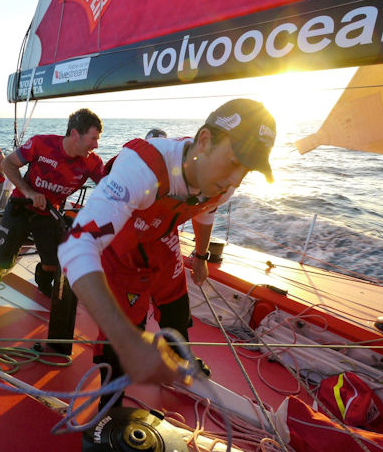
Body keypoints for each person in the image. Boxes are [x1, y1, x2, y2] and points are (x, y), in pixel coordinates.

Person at [57, 99, 276, 400]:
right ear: (204, 141)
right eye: (235, 162)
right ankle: (108, 413)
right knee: (125, 329)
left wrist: (200, 256)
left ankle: (178, 363)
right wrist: (127, 338)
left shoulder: (223, 182)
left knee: (177, 304)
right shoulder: (141, 167)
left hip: (162, 236)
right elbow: (77, 244)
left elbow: (205, 211)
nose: (236, 181)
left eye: (247, 170)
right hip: (121, 245)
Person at [0, 108, 105, 328]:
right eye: (93, 139)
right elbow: (8, 164)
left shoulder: (92, 162)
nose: (96, 146)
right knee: (1, 261)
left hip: (50, 214)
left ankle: (43, 284)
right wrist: (30, 192)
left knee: (53, 265)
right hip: (20, 207)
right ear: (74, 134)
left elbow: (110, 188)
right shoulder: (41, 144)